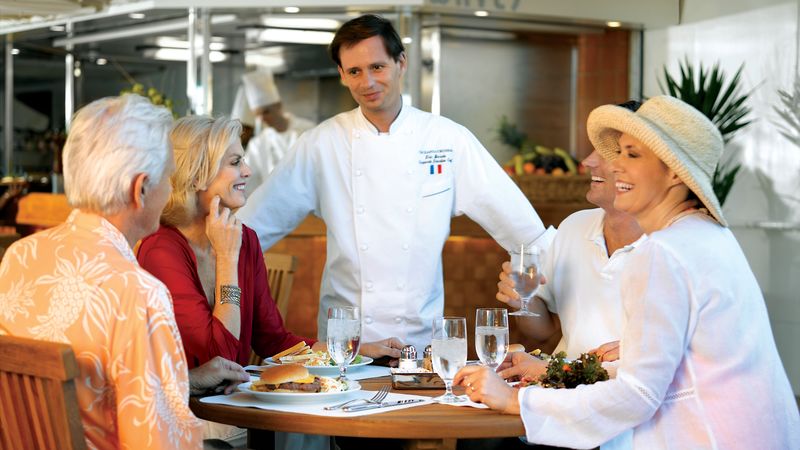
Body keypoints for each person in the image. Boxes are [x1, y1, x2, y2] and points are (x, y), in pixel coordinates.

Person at [454, 96, 800, 449]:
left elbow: (638, 394)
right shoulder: (706, 235)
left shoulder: (664, 251)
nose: (615, 165)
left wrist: (515, 400)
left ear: (674, 172)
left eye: (631, 155)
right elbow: (662, 372)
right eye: (617, 153)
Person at [238, 14, 554, 352]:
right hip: (346, 344)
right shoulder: (320, 144)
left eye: (377, 67)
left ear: (400, 63)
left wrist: (549, 299)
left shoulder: (447, 140)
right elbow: (253, 227)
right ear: (342, 75)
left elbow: (525, 231)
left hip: (420, 343)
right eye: (355, 71)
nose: (367, 82)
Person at [0, 94, 249, 449]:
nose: (171, 190)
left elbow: (99, 389)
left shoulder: (19, 257)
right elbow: (158, 442)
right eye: (169, 177)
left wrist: (187, 379)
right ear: (141, 189)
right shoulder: (138, 293)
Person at [136, 115, 401, 369]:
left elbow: (274, 342)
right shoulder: (161, 250)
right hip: (193, 400)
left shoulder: (245, 239)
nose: (248, 171)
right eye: (235, 162)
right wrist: (227, 259)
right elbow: (218, 358)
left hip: (235, 395)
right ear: (197, 175)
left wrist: (357, 352)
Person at [239, 69, 315, 196]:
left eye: (266, 112)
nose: (262, 119)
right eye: (258, 115)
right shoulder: (258, 144)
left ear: (279, 105)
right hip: (273, 202)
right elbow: (246, 178)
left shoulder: (309, 130)